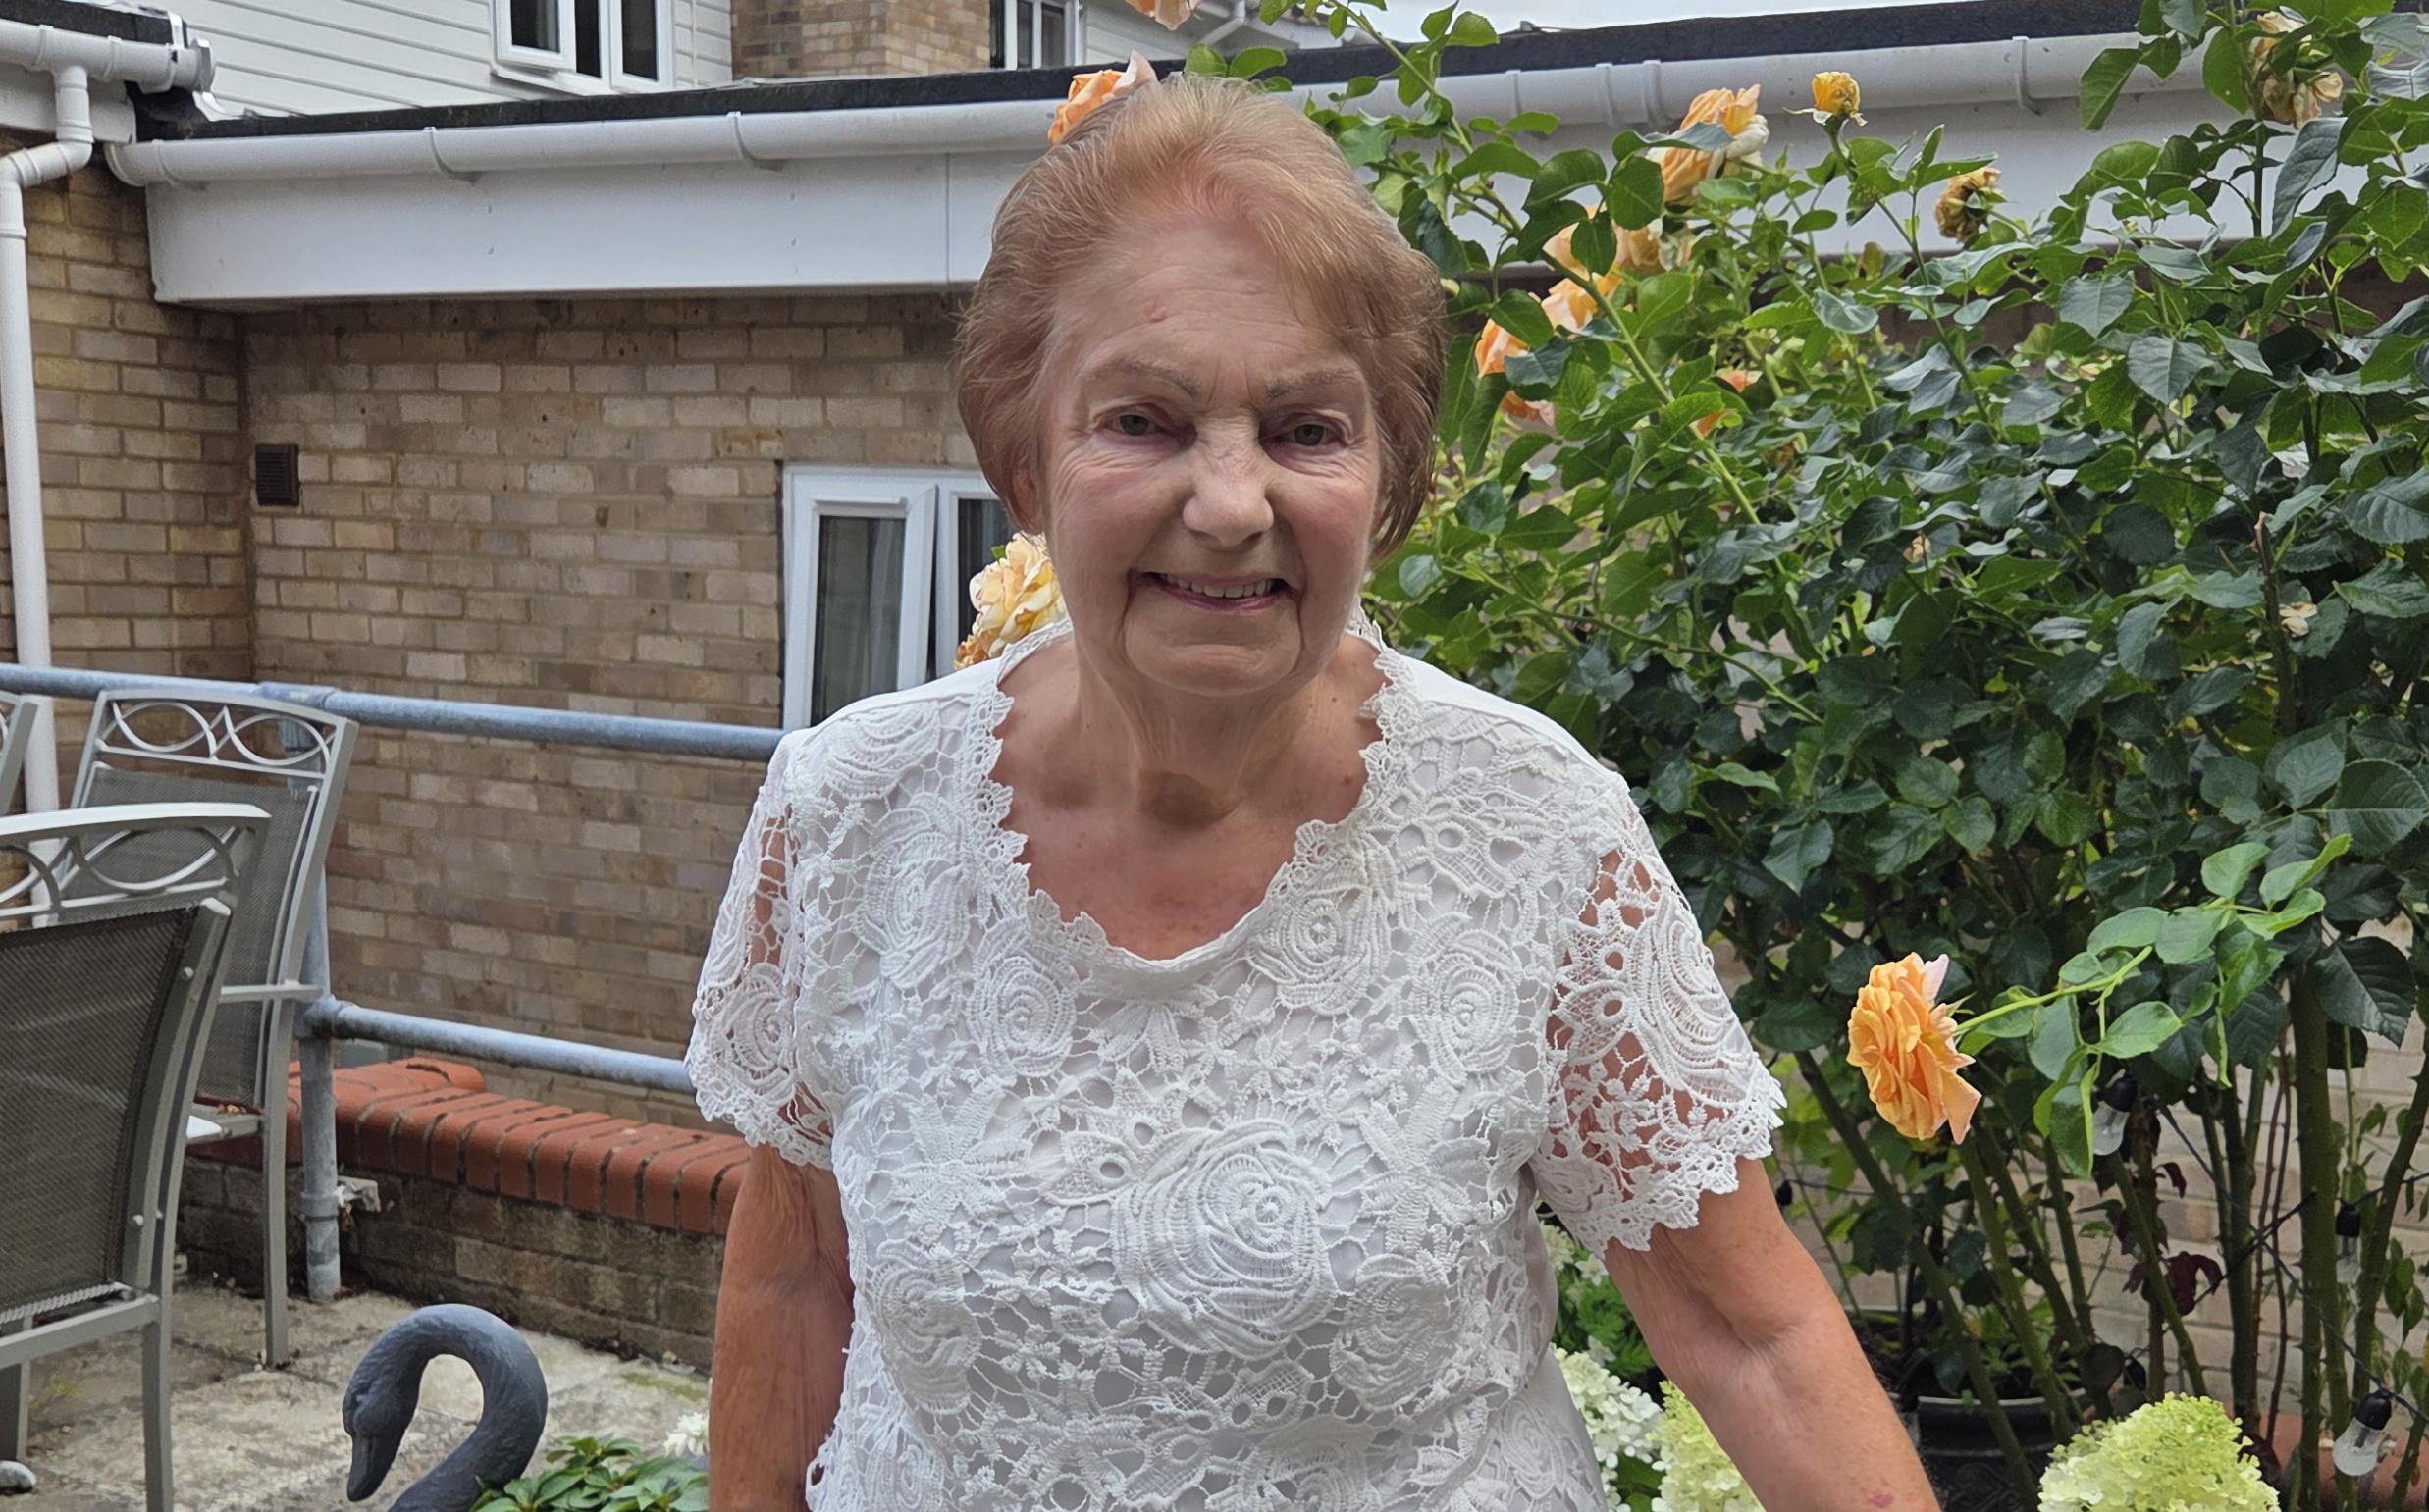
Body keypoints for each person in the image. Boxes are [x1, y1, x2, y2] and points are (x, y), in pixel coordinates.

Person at [685, 67, 1939, 1512]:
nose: (1232, 505)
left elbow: (1750, 1330)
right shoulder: (848, 811)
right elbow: (795, 1273)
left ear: (1387, 479)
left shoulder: (1530, 828)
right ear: (1024, 460)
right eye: (1143, 421)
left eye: (1306, 430)